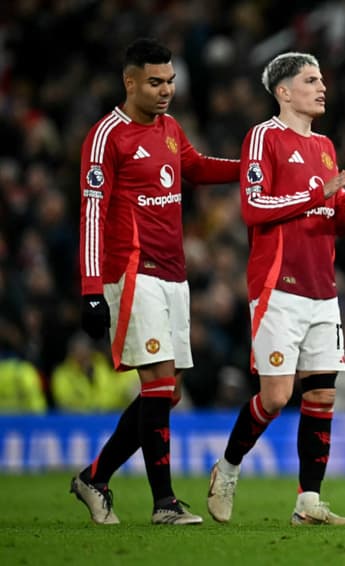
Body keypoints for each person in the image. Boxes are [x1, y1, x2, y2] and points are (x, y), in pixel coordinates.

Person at [71, 38, 239, 525]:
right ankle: (164, 502)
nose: (166, 90)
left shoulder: (169, 129)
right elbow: (91, 214)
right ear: (130, 82)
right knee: (159, 385)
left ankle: (94, 477)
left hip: (173, 274)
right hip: (132, 271)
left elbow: (198, 167)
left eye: (170, 81)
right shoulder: (107, 136)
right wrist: (90, 289)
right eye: (155, 82)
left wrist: (251, 170)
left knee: (167, 392)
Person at [206, 52, 345, 526]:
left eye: (322, 79)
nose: (322, 87)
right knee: (278, 396)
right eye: (310, 79)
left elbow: (331, 219)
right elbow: (255, 207)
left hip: (323, 288)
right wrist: (318, 194)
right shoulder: (264, 137)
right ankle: (228, 467)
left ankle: (309, 503)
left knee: (321, 396)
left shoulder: (325, 145)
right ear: (283, 91)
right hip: (278, 287)